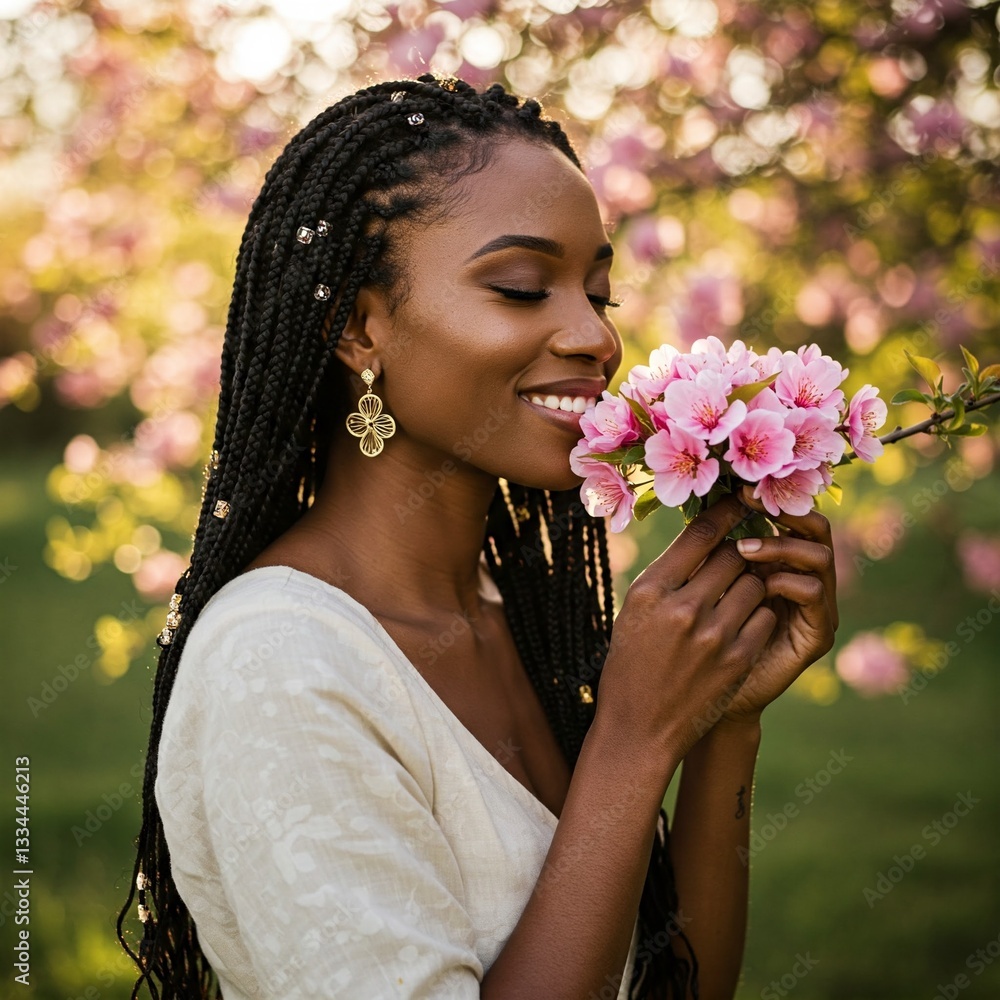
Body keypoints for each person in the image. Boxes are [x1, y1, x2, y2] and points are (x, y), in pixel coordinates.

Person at [117, 75, 837, 1000]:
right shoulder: (281, 666)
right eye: (522, 287)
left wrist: (723, 722)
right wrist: (630, 740)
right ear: (360, 328)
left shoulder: (517, 618)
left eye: (598, 294)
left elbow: (675, 988)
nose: (593, 337)